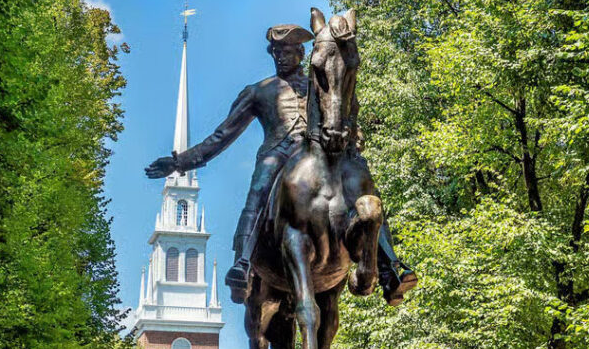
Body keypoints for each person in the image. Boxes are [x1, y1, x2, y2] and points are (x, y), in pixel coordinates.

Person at [145, 23, 415, 304]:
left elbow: (344, 109)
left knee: (363, 185)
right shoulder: (258, 92)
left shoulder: (319, 85)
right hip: (278, 154)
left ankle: (389, 268)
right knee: (259, 190)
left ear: (301, 53)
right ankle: (244, 263)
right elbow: (221, 137)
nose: (281, 57)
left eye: (287, 51)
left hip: (320, 155)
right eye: (276, 52)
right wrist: (179, 163)